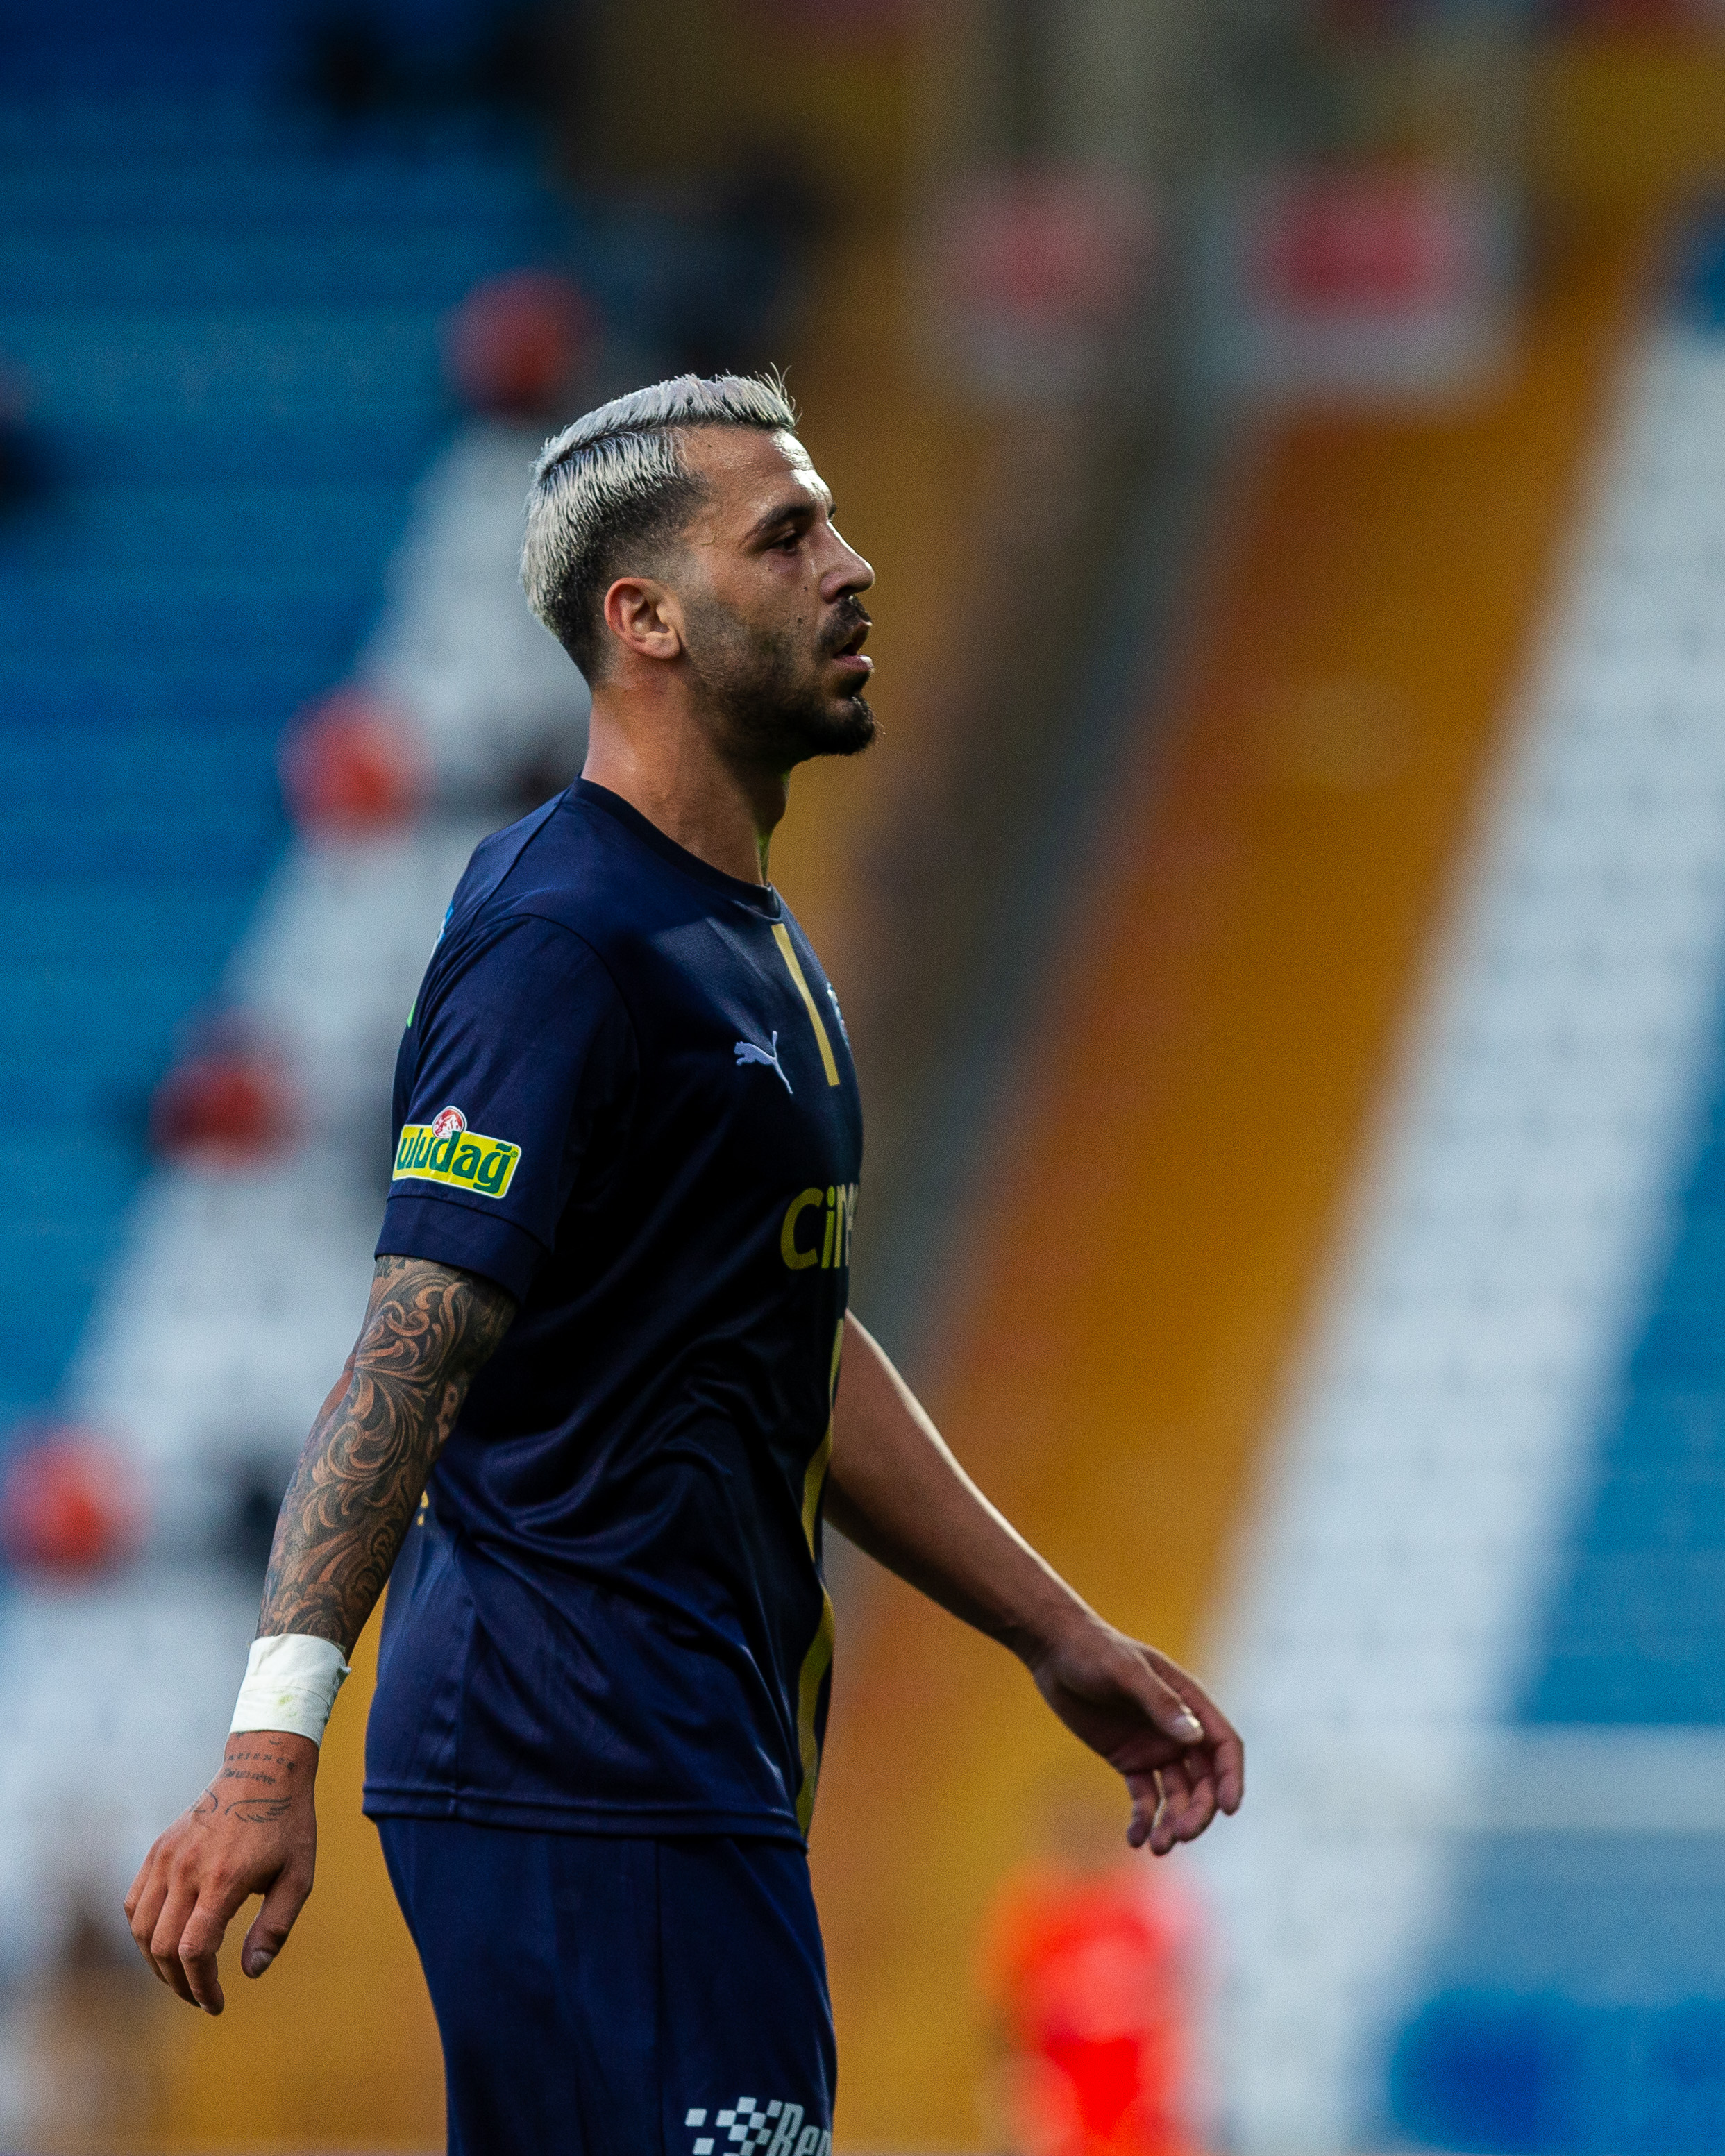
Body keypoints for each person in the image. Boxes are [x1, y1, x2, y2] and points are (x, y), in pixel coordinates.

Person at [124, 372, 1244, 2155]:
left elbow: (785, 1330)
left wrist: (1055, 1633)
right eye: (786, 535)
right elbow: (411, 1339)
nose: (851, 566)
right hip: (574, 1748)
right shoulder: (561, 937)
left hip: (680, 1755)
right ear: (642, 616)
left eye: (835, 523)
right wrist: (269, 1752)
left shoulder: (752, 947)